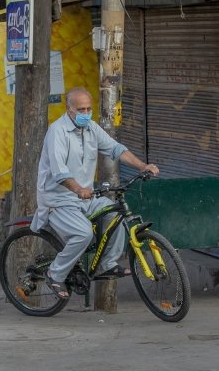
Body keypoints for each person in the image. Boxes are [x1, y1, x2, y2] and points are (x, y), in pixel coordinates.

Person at [31, 87, 159, 298]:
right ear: (68, 109)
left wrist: (141, 165)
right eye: (81, 109)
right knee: (83, 234)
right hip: (59, 199)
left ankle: (107, 264)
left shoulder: (91, 128)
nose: (86, 113)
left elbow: (116, 149)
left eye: (89, 109)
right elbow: (59, 172)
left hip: (86, 196)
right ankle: (55, 274)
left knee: (114, 214)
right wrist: (78, 189)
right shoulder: (57, 132)